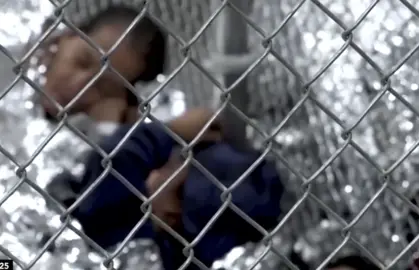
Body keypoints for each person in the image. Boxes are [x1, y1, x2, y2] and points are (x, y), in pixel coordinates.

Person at [35, 5, 284, 270]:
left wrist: (119, 132)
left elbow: (93, 212)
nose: (78, 85)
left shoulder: (97, 146)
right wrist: (169, 132)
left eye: (103, 88)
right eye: (82, 61)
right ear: (62, 37)